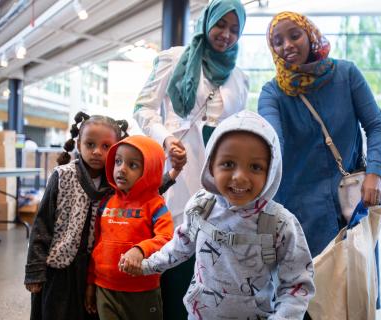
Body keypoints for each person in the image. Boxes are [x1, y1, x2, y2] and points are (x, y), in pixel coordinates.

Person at [123, 110, 315, 319]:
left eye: (255, 167)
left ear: (271, 170)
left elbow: (297, 285)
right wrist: (147, 266)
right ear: (211, 166)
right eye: (228, 164)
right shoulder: (201, 206)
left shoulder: (280, 224)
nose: (240, 177)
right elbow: (180, 246)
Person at [133, 0, 248, 317]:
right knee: (175, 250)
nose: (226, 34)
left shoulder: (240, 77)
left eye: (234, 29)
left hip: (220, 178)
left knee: (213, 256)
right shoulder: (173, 58)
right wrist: (166, 138)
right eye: (220, 25)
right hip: (178, 168)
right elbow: (142, 108)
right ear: (207, 21)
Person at [258, 12, 381, 258]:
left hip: (352, 202)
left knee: (357, 284)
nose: (287, 45)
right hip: (300, 209)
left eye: (295, 35)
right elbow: (271, 141)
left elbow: (376, 126)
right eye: (278, 41)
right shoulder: (272, 93)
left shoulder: (346, 74)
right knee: (309, 290)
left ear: (310, 34)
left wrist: (375, 173)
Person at [24, 112, 128, 320]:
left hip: (95, 273)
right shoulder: (62, 176)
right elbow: (42, 224)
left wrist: (170, 177)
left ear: (117, 148)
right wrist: (35, 271)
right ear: (79, 144)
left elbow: (148, 191)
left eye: (106, 146)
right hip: (60, 270)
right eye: (90, 144)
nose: (97, 152)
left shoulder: (118, 183)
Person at [84, 135, 174, 320]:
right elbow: (97, 245)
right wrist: (91, 283)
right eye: (118, 161)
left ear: (150, 170)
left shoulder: (155, 205)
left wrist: (140, 250)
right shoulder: (106, 203)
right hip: (105, 289)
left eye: (132, 165)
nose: (121, 169)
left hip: (142, 291)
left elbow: (167, 239)